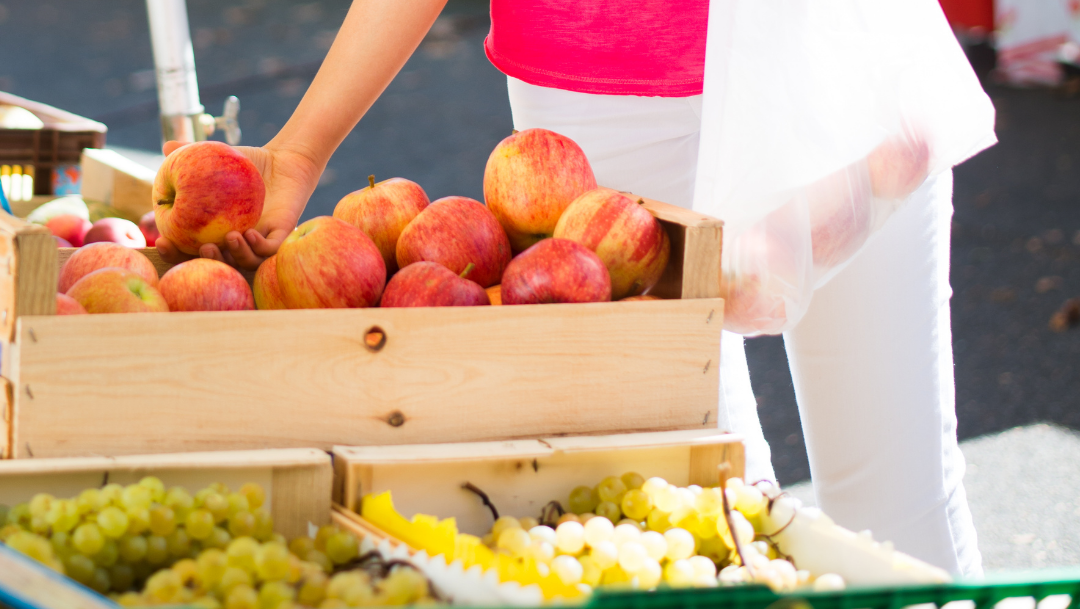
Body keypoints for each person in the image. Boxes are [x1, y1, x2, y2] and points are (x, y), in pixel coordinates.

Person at [155, 0, 984, 577]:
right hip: (607, 90)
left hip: (822, 62)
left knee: (889, 494)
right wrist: (300, 149)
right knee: (699, 510)